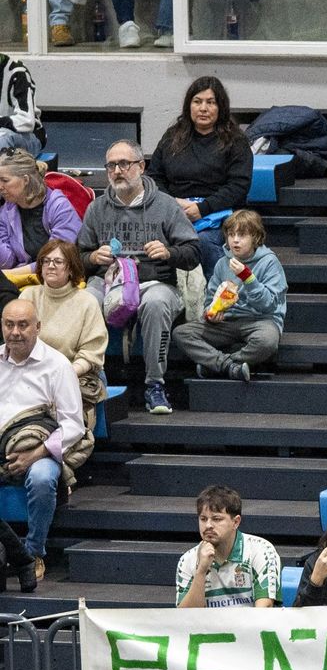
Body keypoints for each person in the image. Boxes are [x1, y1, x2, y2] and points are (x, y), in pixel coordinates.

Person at [77, 139, 200, 415]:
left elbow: (193, 252)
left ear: (141, 167)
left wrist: (168, 251)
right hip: (108, 281)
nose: (118, 171)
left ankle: (155, 385)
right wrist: (93, 257)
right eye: (111, 165)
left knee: (156, 303)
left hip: (154, 281)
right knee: (85, 300)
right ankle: (89, 378)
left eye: (124, 164)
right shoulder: (97, 208)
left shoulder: (166, 205)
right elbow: (79, 256)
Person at [0, 297, 83, 586]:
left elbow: (74, 425)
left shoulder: (58, 365)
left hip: (40, 447)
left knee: (42, 477)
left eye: (23, 325)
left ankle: (33, 552)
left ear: (38, 327)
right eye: (9, 325)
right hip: (1, 445)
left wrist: (35, 453)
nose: (15, 332)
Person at [147, 75, 252, 275]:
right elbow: (154, 177)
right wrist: (172, 203)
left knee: (202, 241)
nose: (203, 108)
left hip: (219, 217)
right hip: (173, 212)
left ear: (220, 107)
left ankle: (217, 297)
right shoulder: (173, 136)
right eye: (197, 102)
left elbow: (238, 186)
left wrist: (201, 209)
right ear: (189, 106)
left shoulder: (236, 141)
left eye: (210, 103)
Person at [172, 208, 284, 381]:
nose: (235, 241)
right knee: (181, 333)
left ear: (255, 238)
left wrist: (247, 277)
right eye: (231, 235)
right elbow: (210, 299)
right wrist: (211, 314)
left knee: (267, 341)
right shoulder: (222, 263)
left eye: (242, 235)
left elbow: (268, 305)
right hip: (226, 322)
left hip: (259, 320)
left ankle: (218, 365)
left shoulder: (270, 262)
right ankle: (229, 367)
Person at [22, 240, 106, 436]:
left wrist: (61, 375)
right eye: (46, 261)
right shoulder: (28, 296)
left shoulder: (86, 302)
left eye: (58, 261)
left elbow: (91, 353)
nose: (50, 265)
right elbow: (16, 344)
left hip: (74, 374)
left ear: (71, 269)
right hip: (32, 374)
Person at [175, 484, 280, 607]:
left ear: (236, 522)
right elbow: (185, 618)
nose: (208, 525)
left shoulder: (261, 550)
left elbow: (264, 610)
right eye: (203, 519)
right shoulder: (187, 560)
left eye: (216, 519)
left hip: (250, 625)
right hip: (207, 626)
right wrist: (201, 571)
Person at [0, 149, 80, 280]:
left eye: (4, 180)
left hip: (58, 279)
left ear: (25, 180)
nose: (0, 186)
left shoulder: (60, 208)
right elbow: (6, 262)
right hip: (22, 279)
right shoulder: (7, 210)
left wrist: (8, 275)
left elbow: (55, 261)